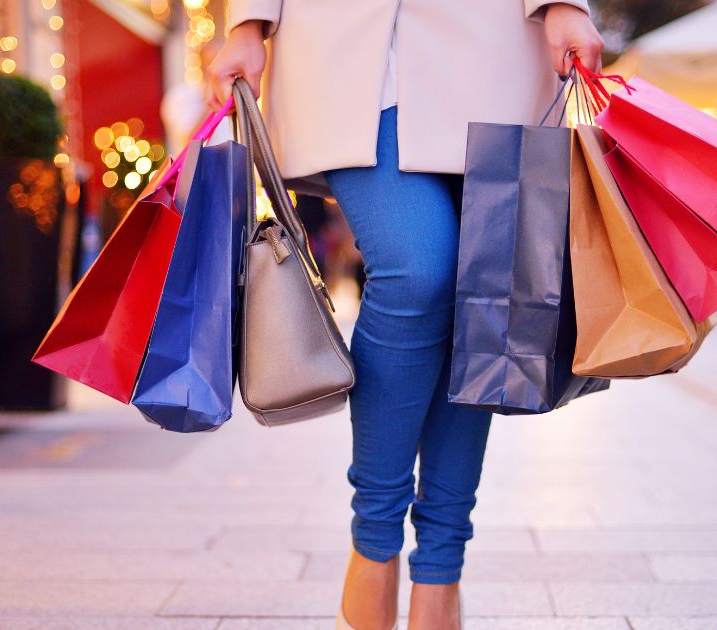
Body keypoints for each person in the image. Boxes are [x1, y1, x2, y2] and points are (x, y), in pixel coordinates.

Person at [207, 2, 604, 628]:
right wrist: (247, 24)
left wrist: (562, 5)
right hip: (339, 47)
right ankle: (375, 536)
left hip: (491, 46)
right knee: (417, 271)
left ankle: (441, 571)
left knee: (481, 296)